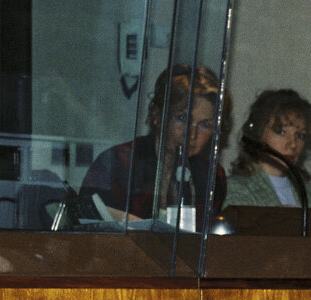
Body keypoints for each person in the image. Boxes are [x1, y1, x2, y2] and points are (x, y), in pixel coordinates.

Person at [79, 65, 231, 228]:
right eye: (182, 118)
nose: (191, 135)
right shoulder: (119, 162)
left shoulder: (211, 176)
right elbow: (83, 222)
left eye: (205, 124)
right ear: (158, 116)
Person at [226, 89, 311, 209]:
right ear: (257, 134)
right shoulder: (236, 189)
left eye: (300, 135)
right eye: (281, 132)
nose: (293, 144)